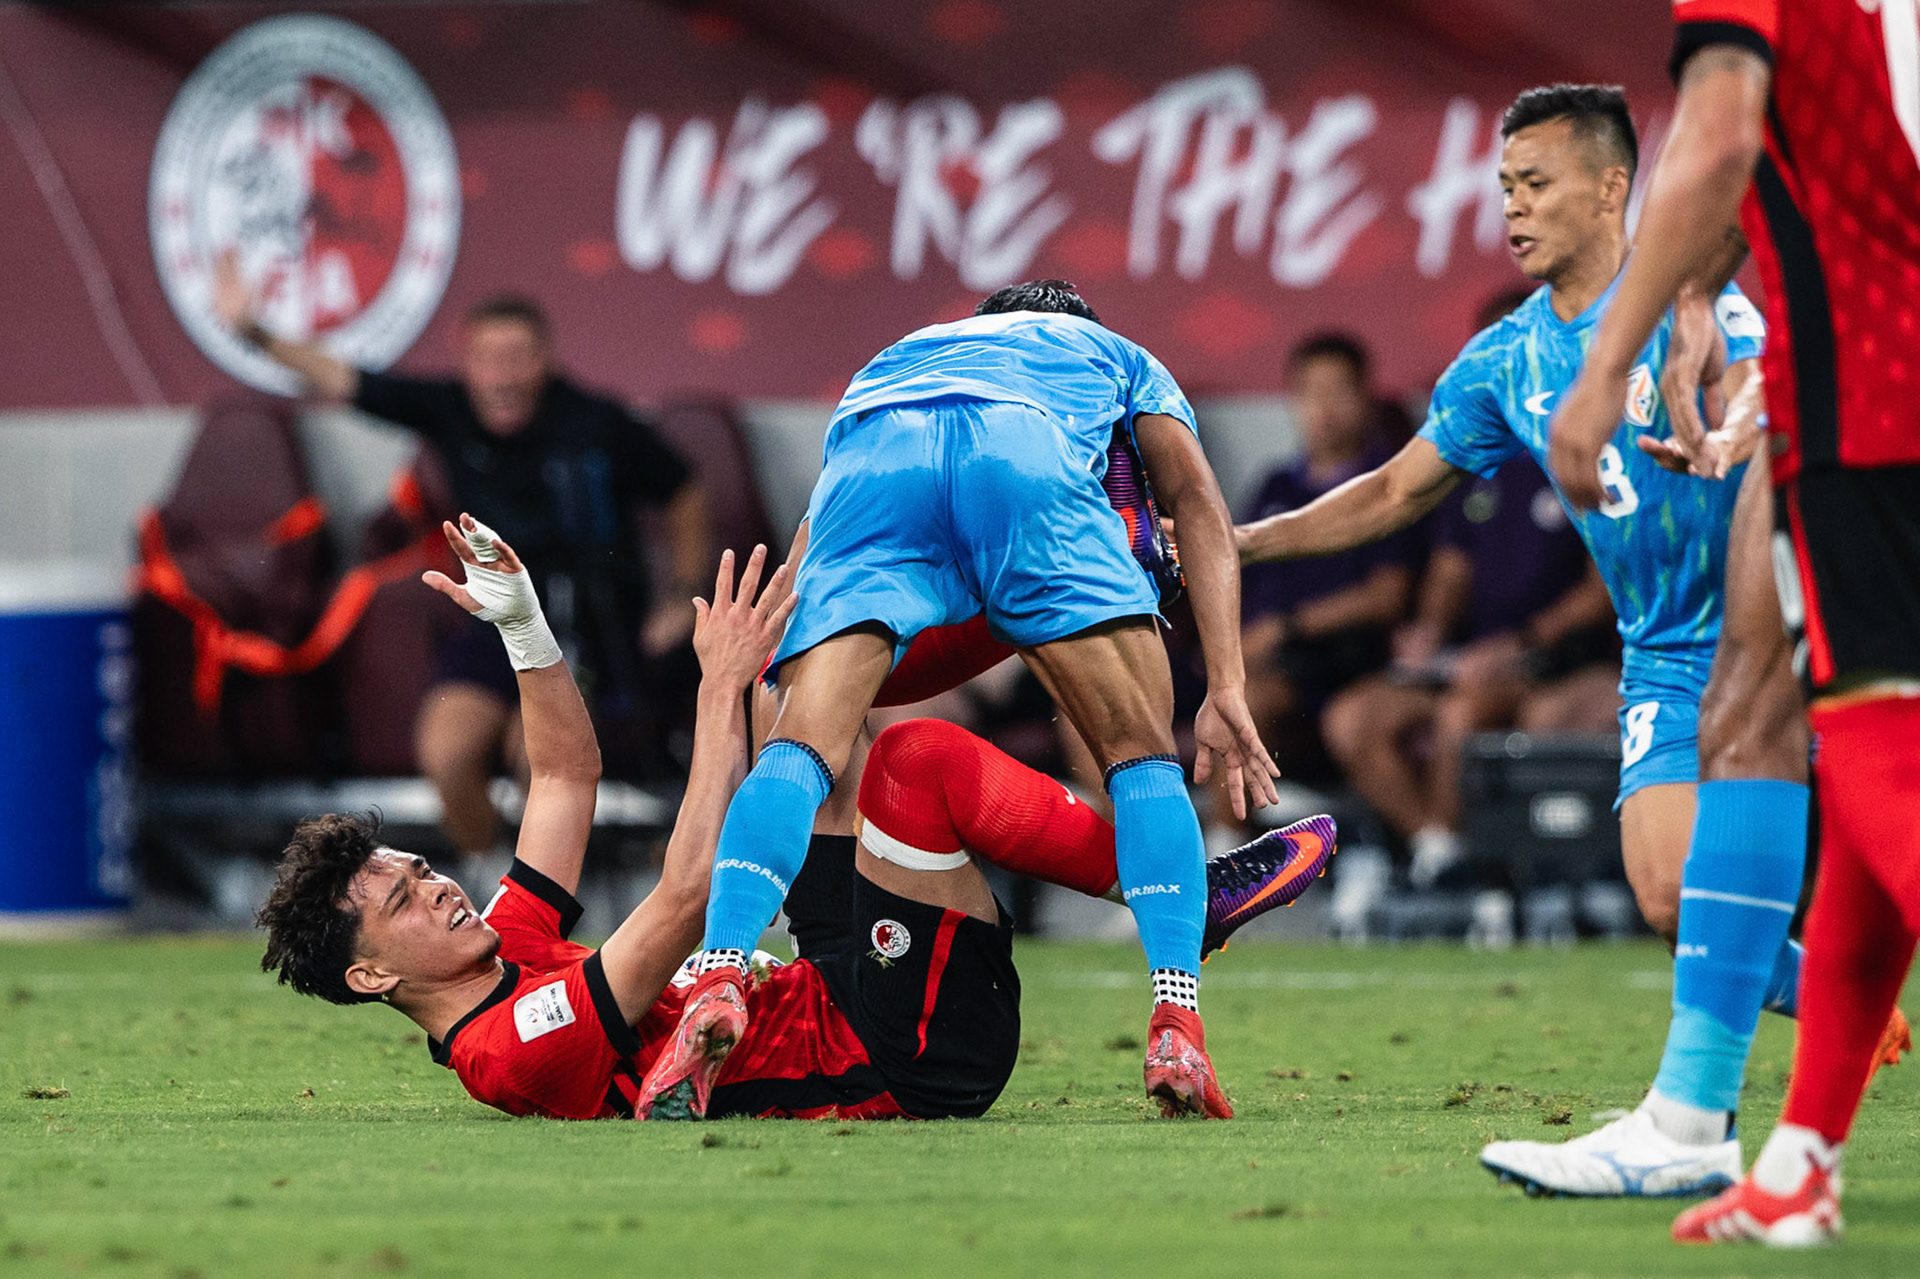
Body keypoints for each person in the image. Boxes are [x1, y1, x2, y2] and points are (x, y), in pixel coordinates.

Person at [1230, 82, 1842, 1198]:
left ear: (1615, 187)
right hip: (1661, 652)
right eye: (1506, 187)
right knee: (1665, 898)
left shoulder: (1697, 302)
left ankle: (1731, 1103)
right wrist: (1248, 542)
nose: (1515, 208)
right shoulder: (1504, 362)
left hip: (1781, 631)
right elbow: (1392, 492)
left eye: (1539, 183)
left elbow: (1775, 398)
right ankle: (1835, 1014)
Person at [255, 524, 1326, 1121]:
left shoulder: (505, 946)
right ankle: (1181, 893)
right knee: (912, 761)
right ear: (370, 977)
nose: (438, 886)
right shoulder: (511, 1051)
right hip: (903, 1055)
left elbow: (565, 777)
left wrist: (525, 627)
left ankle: (995, 587)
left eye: (418, 868)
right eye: (403, 899)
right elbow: (682, 899)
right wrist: (710, 695)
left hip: (831, 977)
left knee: (798, 682)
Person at [643, 280, 1279, 1123]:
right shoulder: (1114, 355)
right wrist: (1226, 684)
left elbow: (807, 561)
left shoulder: (901, 359)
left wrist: (766, 672)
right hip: (1024, 456)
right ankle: (1175, 1020)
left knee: (797, 753)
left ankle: (721, 971)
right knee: (1141, 757)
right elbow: (1197, 503)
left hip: (877, 459)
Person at [1542, 0, 1920, 1245]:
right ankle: (1786, 1151)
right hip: (1854, 386)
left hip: (1879, 414)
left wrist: (1609, 363)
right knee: (1798, 723)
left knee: (1860, 749)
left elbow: (1717, 136)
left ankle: (1699, 1125)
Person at [213, 255, 710, 862]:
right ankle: (488, 894)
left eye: (517, 358)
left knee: (536, 760)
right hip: (492, 621)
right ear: (468, 364)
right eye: (487, 359)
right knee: (447, 753)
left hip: (581, 625)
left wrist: (681, 595)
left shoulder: (594, 423)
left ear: (545, 361)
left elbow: (683, 489)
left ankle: (547, 906)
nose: (501, 376)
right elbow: (347, 380)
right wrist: (255, 333)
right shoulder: (449, 410)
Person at [1320, 456, 1617, 891]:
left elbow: (1601, 592)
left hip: (1556, 664)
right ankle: (1436, 849)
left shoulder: (1582, 457)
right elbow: (1449, 574)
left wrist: (1522, 641)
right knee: (1351, 718)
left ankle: (1460, 861)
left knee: (1462, 716)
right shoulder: (1478, 467)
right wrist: (1429, 633)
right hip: (1469, 662)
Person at [1240, 334, 1418, 768]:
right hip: (1259, 656)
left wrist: (1285, 628)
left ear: (1365, 398)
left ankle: (1226, 832)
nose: (1322, 409)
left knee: (1244, 703)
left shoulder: (1387, 485)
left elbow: (1386, 596)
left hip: (1339, 663)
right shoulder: (1275, 486)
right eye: (1309, 393)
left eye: (1337, 392)